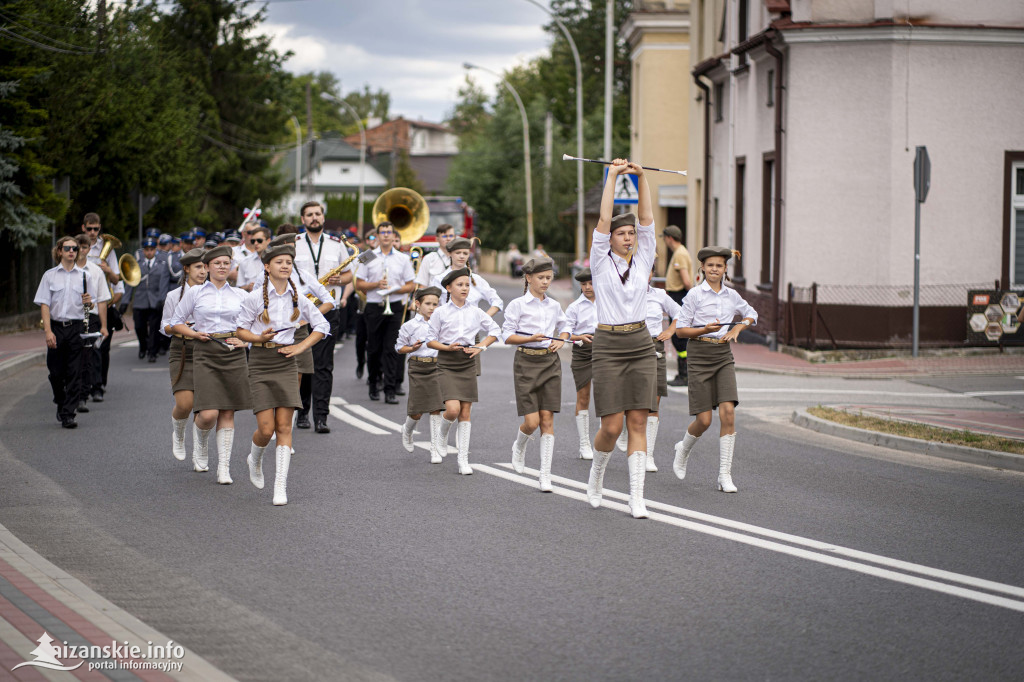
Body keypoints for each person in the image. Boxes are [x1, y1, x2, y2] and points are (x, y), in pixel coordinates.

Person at [584, 158, 657, 519]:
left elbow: (646, 220)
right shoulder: (599, 261)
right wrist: (613, 175)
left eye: (631, 233)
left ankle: (636, 497)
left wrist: (641, 178)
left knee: (638, 423)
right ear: (609, 239)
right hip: (609, 346)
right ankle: (596, 476)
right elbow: (602, 219)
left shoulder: (644, 259)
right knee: (611, 427)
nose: (629, 237)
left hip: (642, 345)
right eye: (621, 233)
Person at [236, 241, 329, 506]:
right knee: (266, 430)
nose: (285, 265)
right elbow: (240, 330)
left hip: (287, 361)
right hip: (261, 361)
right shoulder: (255, 297)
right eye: (280, 262)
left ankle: (280, 486)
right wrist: (257, 336)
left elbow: (322, 325)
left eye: (289, 262)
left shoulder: (297, 297)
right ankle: (255, 457)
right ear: (267, 267)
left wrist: (300, 346)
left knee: (284, 427)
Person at [671, 247, 757, 493]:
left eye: (719, 266)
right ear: (702, 268)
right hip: (699, 354)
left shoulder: (732, 296)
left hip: (722, 355)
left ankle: (724, 475)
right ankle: (683, 449)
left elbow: (751, 314)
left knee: (728, 412)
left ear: (725, 269)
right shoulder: (695, 295)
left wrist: (737, 329)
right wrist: (703, 330)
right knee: (704, 420)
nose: (715, 269)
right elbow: (680, 330)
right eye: (710, 265)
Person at [169, 245, 251, 481]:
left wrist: (246, 342)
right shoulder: (195, 293)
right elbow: (177, 322)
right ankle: (201, 444)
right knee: (208, 414)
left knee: (227, 411)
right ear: (207, 267)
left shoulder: (240, 295)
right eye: (217, 263)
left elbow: (256, 325)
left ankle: (223, 467)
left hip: (233, 353)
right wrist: (194, 334)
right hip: (204, 350)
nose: (222, 267)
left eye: (226, 263)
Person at [501, 258, 570, 492]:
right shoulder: (517, 305)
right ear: (528, 278)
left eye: (549, 278)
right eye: (541, 278)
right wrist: (531, 338)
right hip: (526, 362)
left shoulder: (553, 305)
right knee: (532, 422)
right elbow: (507, 336)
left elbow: (565, 325)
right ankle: (520, 445)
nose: (545, 282)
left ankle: (545, 475)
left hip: (550, 363)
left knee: (548, 419)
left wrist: (562, 340)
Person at [424, 268, 500, 475]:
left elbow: (495, 331)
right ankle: (441, 435)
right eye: (460, 285)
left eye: (467, 284)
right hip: (447, 361)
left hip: (467, 361)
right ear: (448, 288)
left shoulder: (476, 311)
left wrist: (480, 346)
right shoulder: (440, 312)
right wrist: (446, 347)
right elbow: (430, 339)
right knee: (452, 409)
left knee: (466, 412)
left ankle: (463, 460)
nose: (465, 288)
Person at [35, 236, 109, 428]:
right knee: (56, 373)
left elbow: (91, 303)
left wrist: (89, 302)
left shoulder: (85, 276)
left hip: (77, 328)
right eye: (67, 248)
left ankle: (69, 414)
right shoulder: (49, 275)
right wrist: (48, 332)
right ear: (59, 251)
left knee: (75, 372)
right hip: (57, 327)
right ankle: (60, 401)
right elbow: (44, 304)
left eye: (74, 249)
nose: (71, 251)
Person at [294, 201, 354, 433]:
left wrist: (342, 279)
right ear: (303, 220)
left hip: (329, 310)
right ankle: (302, 413)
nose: (314, 218)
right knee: (302, 364)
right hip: (301, 312)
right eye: (309, 215)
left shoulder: (336, 244)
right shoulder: (295, 243)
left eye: (317, 214)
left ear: (323, 217)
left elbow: (349, 274)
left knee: (323, 366)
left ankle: (321, 417)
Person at [355, 221, 415, 404]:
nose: (386, 235)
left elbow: (411, 284)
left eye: (389, 232)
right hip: (374, 306)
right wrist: (376, 285)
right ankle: (373, 384)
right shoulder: (367, 256)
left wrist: (394, 289)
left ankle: (390, 389)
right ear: (378, 236)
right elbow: (358, 283)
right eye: (383, 232)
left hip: (395, 306)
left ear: (393, 235)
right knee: (373, 348)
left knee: (391, 349)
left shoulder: (403, 258)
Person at [160, 248, 207, 463]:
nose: (203, 271)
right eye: (198, 267)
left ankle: (200, 449)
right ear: (187, 269)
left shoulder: (212, 293)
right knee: (185, 404)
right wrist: (180, 328)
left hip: (206, 350)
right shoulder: (174, 295)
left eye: (206, 267)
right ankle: (178, 434)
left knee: (204, 409)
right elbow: (164, 325)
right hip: (182, 349)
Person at [395, 287, 445, 463]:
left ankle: (435, 449)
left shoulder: (441, 323)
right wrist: (412, 348)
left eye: (435, 304)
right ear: (418, 304)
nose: (432, 308)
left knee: (436, 407)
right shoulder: (409, 326)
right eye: (428, 304)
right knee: (416, 411)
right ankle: (407, 430)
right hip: (417, 366)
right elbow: (399, 347)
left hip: (437, 367)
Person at [642, 271, 681, 473]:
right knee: (632, 399)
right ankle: (624, 429)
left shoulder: (659, 294)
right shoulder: (623, 293)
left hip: (655, 346)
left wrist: (670, 331)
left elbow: (680, 313)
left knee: (654, 401)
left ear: (652, 273)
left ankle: (648, 454)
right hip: (631, 347)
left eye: (648, 269)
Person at [73, 235, 110, 414]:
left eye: (85, 247)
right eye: (78, 247)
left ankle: (84, 395)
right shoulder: (65, 270)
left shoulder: (96, 271)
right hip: (73, 318)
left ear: (89, 249)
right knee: (73, 358)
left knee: (89, 357)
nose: (81, 250)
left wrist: (104, 326)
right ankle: (72, 391)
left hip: (92, 317)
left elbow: (102, 300)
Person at [564, 267, 597, 460]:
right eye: (583, 284)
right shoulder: (574, 307)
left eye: (591, 283)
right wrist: (579, 336)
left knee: (606, 397)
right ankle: (584, 443)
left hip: (605, 350)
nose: (587, 287)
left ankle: (604, 439)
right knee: (583, 397)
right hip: (582, 351)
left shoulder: (608, 303)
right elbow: (566, 333)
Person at [130, 237, 172, 363]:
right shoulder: (137, 263)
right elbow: (129, 283)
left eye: (152, 249)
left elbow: (165, 282)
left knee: (154, 328)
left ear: (155, 250)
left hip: (155, 301)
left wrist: (162, 299)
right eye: (147, 250)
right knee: (139, 327)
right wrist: (125, 301)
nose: (149, 252)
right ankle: (143, 345)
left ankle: (152, 353)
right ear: (143, 251)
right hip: (140, 300)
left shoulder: (162, 263)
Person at [663, 224, 693, 386]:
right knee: (678, 337)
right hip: (677, 296)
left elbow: (687, 281)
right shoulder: (680, 252)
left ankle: (685, 375)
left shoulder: (680, 254)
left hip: (679, 296)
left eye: (665, 238)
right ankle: (683, 373)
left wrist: (691, 298)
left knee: (679, 337)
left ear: (669, 238)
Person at [414, 224, 455, 289]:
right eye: (444, 236)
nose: (448, 239)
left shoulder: (459, 258)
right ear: (437, 239)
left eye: (451, 236)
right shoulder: (428, 258)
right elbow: (422, 286)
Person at [235, 226, 271, 292]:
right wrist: (247, 287)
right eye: (253, 241)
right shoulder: (245, 262)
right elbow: (239, 288)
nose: (256, 243)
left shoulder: (276, 261)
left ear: (268, 241)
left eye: (259, 240)